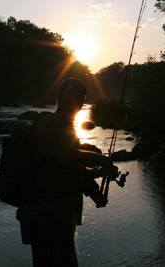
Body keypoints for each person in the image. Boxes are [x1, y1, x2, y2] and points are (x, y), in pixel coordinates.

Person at [16, 77, 118, 267]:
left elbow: (76, 170)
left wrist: (96, 193)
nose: (76, 101)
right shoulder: (48, 124)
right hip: (44, 212)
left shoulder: (68, 128)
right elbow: (67, 157)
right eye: (71, 95)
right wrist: (99, 158)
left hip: (63, 214)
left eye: (80, 97)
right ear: (59, 97)